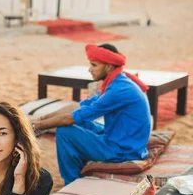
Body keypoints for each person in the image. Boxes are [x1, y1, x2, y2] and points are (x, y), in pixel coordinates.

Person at [32, 43, 152, 185]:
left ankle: (72, 183)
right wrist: (42, 119)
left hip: (123, 150)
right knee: (81, 121)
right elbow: (79, 107)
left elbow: (69, 119)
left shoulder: (118, 90)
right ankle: (79, 170)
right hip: (121, 138)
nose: (89, 69)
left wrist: (36, 126)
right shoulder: (117, 82)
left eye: (94, 65)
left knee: (65, 131)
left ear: (108, 66)